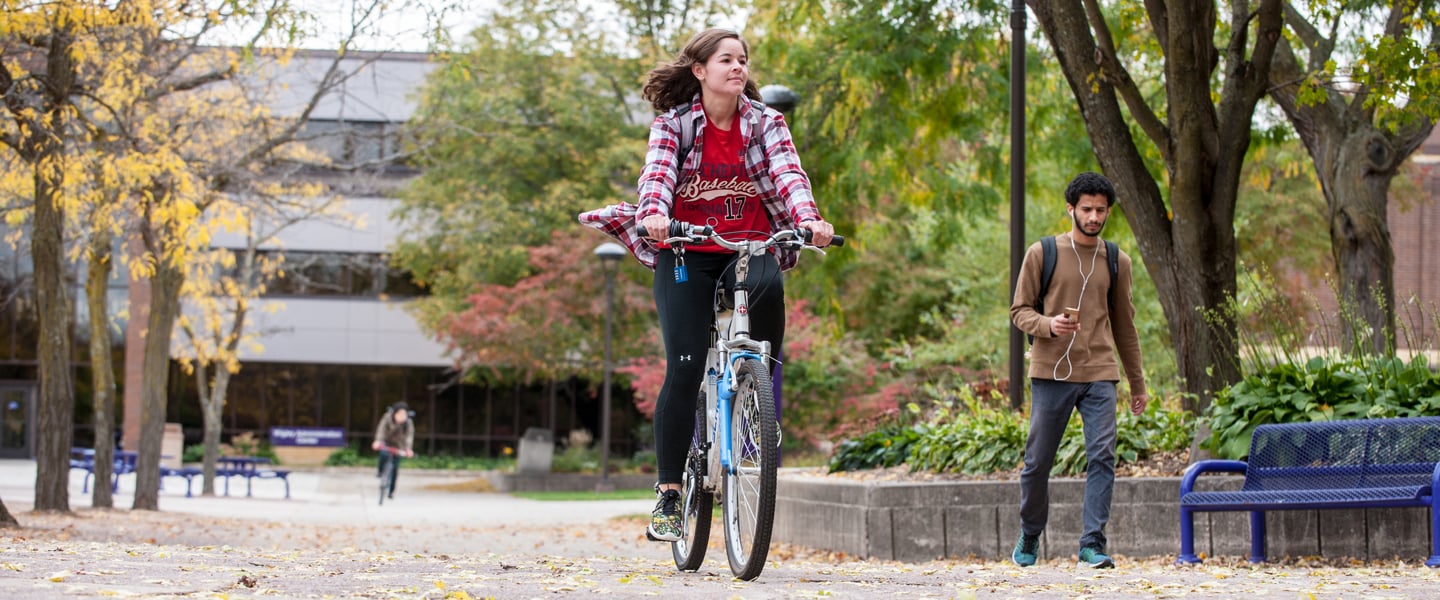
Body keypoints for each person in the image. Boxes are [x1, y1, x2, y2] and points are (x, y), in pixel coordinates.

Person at [579, 28, 834, 543]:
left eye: (743, 60)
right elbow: (657, 176)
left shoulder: (766, 123)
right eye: (726, 60)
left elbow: (789, 177)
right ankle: (671, 492)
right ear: (700, 70)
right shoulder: (674, 125)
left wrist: (810, 220)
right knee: (686, 362)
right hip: (686, 251)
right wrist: (654, 215)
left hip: (750, 247)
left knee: (766, 330)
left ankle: (759, 411)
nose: (738, 67)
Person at [1008, 172, 1148, 569]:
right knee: (1038, 461)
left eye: (1100, 210)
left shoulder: (1117, 260)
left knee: (1102, 455)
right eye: (1086, 209)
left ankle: (1092, 543)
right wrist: (1049, 325)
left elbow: (1125, 326)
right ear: (1071, 208)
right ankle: (1031, 533)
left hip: (1100, 371)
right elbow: (1019, 312)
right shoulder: (1043, 252)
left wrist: (1137, 382)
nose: (1093, 216)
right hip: (1051, 370)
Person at [372, 402, 414, 500]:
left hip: (399, 446)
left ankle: (391, 491)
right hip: (386, 442)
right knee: (383, 454)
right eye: (399, 414)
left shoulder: (408, 423)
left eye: (404, 414)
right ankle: (380, 471)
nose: (402, 417)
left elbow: (409, 437)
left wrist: (408, 449)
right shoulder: (387, 418)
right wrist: (378, 441)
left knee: (395, 469)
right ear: (394, 413)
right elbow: (381, 430)